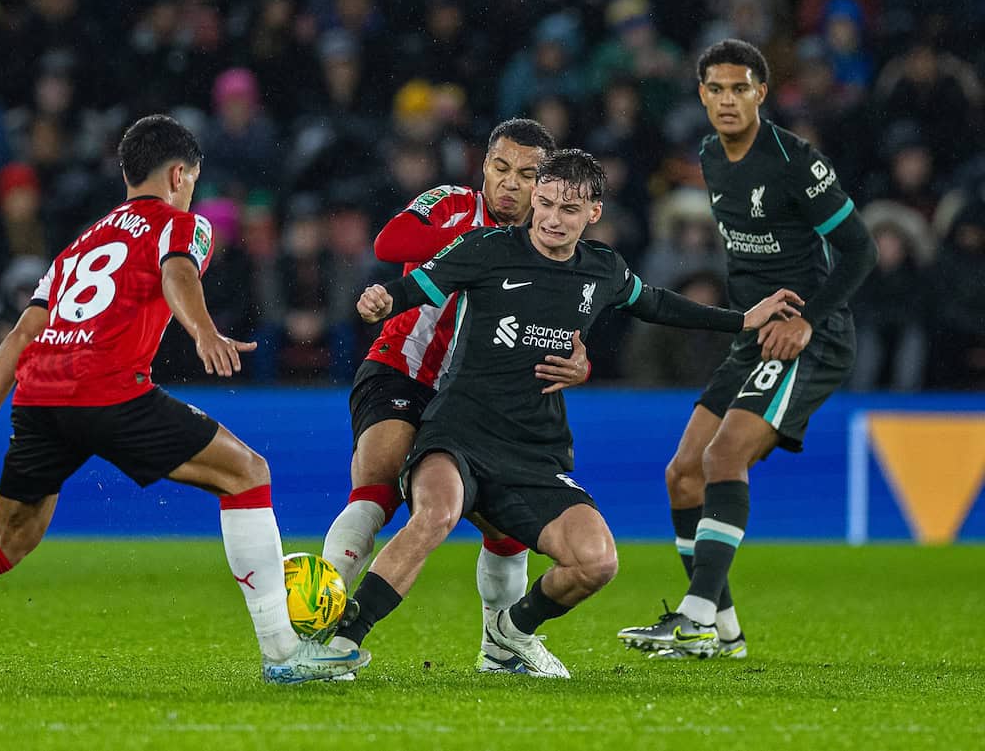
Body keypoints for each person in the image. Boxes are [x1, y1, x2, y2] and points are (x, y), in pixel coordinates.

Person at [0, 115, 369, 686]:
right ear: (180, 174)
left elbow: (21, 335)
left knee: (5, 539)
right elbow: (179, 273)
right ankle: (284, 655)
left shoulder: (80, 244)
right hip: (108, 388)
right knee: (247, 474)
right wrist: (203, 330)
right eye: (191, 180)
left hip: (39, 397)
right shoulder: (180, 224)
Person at [327, 149, 801, 677]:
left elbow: (661, 305)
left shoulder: (604, 270)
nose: (552, 219)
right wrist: (380, 300)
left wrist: (742, 321)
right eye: (545, 204)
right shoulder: (486, 248)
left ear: (593, 213)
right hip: (456, 432)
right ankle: (340, 641)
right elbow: (410, 287)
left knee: (597, 561)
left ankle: (511, 634)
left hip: (533, 449)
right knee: (435, 512)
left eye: (568, 210)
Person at [617, 39, 878, 659]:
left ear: (762, 91)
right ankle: (723, 635)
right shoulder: (709, 155)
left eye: (741, 88)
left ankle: (695, 615)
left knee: (723, 457)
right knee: (682, 475)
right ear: (701, 94)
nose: (728, 100)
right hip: (756, 335)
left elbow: (860, 251)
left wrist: (809, 320)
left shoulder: (794, 159)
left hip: (809, 337)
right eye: (716, 89)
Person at [321, 118, 587, 675]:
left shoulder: (550, 243)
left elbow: (570, 321)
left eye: (527, 175)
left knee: (505, 529)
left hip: (477, 401)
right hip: (402, 371)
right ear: (483, 166)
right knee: (375, 492)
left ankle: (499, 649)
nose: (510, 184)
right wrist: (482, 249)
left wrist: (580, 360)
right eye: (500, 168)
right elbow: (389, 242)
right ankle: (323, 638)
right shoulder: (453, 204)